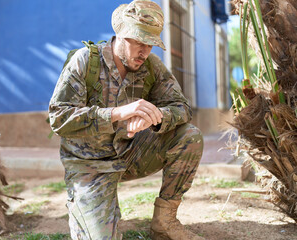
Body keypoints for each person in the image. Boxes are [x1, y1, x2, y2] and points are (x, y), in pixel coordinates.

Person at [48, 0, 204, 239]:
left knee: (189, 136)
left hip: (131, 153)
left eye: (150, 43)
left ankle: (164, 222)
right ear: (120, 33)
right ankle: (91, 209)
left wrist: (155, 118)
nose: (144, 51)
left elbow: (181, 107)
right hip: (90, 164)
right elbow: (59, 118)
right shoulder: (85, 61)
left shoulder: (151, 65)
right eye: (139, 41)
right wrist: (118, 113)